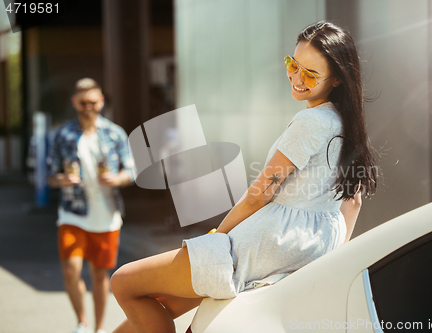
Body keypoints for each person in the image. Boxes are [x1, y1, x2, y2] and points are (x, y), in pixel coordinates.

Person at [110, 21, 378, 333]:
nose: (296, 77)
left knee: (124, 282)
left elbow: (259, 194)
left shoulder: (311, 121)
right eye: (293, 64)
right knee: (164, 305)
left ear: (336, 79)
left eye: (310, 73)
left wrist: (215, 237)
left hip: (263, 245)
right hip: (308, 245)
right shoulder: (349, 124)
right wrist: (332, 255)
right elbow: (353, 201)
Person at [47, 78, 135, 333]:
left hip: (107, 215)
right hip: (72, 212)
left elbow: (131, 171)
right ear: (75, 102)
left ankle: (97, 329)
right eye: (83, 103)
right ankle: (82, 323)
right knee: (70, 269)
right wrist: (61, 179)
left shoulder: (115, 133)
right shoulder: (63, 135)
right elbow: (50, 174)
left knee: (100, 276)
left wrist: (116, 178)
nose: (89, 107)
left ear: (101, 102)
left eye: (93, 102)